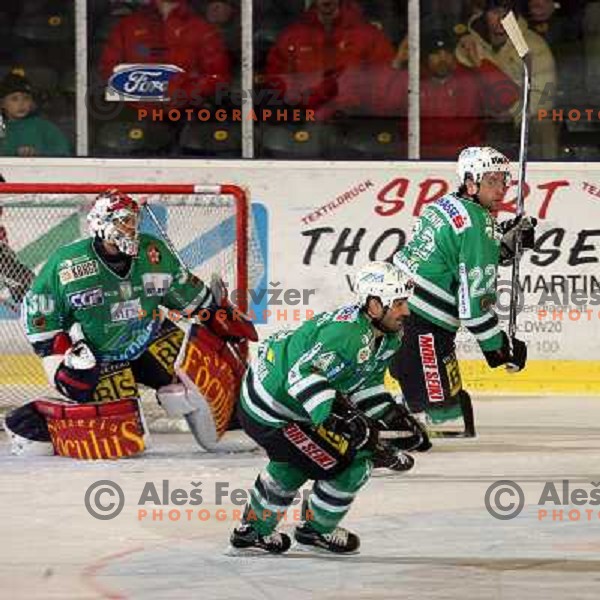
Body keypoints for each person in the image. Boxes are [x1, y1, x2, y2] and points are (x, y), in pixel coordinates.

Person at [15, 189, 254, 453]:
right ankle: (35, 421)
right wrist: (61, 361)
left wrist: (215, 312)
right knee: (125, 435)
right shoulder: (67, 263)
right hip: (102, 356)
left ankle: (237, 425)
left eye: (134, 221)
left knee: (202, 371)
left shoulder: (152, 251)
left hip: (150, 336)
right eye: (124, 220)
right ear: (101, 222)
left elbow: (183, 291)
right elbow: (40, 316)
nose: (131, 228)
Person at [228, 261, 430, 555]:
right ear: (374, 305)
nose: (406, 312)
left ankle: (252, 531)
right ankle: (314, 531)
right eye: (397, 303)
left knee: (302, 458)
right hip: (271, 409)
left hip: (284, 402)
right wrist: (343, 420)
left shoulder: (388, 337)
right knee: (350, 462)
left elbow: (365, 382)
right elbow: (302, 375)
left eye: (405, 302)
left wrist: (392, 418)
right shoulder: (346, 335)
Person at [390, 146, 534, 436]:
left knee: (445, 405)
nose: (501, 189)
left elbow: (457, 260)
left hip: (397, 310)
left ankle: (404, 404)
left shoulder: (444, 204)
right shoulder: (478, 223)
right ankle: (392, 413)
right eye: (491, 180)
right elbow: (474, 306)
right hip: (420, 322)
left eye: (503, 181)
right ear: (471, 182)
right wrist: (499, 349)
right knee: (448, 420)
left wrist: (498, 245)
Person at [385, 25, 520, 158]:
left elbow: (507, 98)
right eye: (436, 54)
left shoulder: (470, 78)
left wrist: (480, 63)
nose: (443, 59)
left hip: (467, 161)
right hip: (420, 161)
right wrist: (397, 62)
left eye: (447, 53)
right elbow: (384, 105)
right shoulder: (412, 79)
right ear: (425, 56)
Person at [455, 0, 558, 159]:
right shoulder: (469, 44)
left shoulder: (533, 45)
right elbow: (459, 91)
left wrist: (512, 113)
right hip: (481, 119)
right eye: (495, 13)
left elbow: (543, 95)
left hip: (520, 119)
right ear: (484, 15)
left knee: (542, 123)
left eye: (507, 14)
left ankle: (546, 176)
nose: (501, 20)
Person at [263, 0, 396, 120]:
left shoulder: (370, 36)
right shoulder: (291, 37)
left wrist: (351, 103)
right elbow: (277, 81)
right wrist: (304, 104)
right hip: (303, 129)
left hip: (358, 127)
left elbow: (385, 84)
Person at [99, 0, 231, 107]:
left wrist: (184, 91)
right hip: (132, 115)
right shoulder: (127, 26)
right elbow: (108, 68)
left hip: (186, 117)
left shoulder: (202, 28)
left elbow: (218, 75)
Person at [0, 72, 70, 157]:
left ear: (32, 102)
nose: (21, 103)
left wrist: (37, 153)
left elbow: (63, 151)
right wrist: (14, 153)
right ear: (2, 103)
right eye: (14, 99)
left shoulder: (43, 126)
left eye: (26, 98)